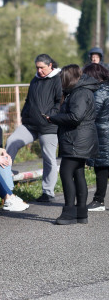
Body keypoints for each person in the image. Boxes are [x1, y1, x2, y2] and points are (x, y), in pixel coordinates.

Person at [46, 65, 99, 225]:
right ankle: (81, 213)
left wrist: (54, 118)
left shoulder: (80, 93)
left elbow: (75, 117)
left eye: (62, 78)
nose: (60, 82)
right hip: (80, 139)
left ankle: (69, 212)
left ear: (69, 78)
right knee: (78, 174)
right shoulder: (80, 91)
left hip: (77, 140)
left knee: (66, 172)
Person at [5, 54, 62, 203]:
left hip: (48, 126)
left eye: (42, 67)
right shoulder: (35, 80)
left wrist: (50, 116)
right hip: (30, 124)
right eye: (37, 67)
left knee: (48, 157)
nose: (39, 70)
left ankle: (48, 192)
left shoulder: (58, 79)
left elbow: (59, 102)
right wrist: (25, 115)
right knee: (12, 141)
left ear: (50, 66)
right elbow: (29, 100)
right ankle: (4, 177)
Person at [83, 63, 109, 211]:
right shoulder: (106, 88)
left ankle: (99, 200)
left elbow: (93, 112)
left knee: (101, 168)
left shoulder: (100, 92)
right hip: (104, 132)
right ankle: (98, 200)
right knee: (104, 168)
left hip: (102, 134)